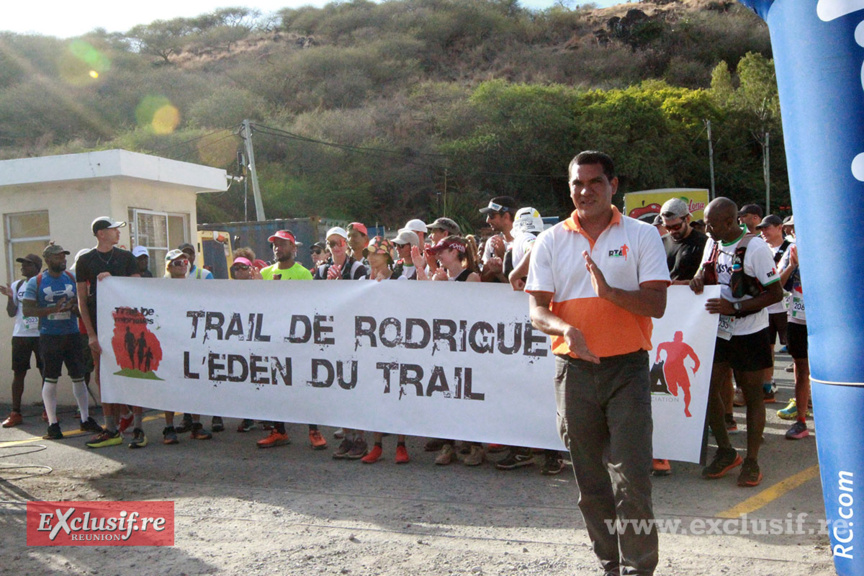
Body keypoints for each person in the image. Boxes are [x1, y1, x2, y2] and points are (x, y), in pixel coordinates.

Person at [525, 151, 669, 576]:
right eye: (578, 183)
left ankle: (638, 569)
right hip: (573, 372)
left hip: (627, 371)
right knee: (590, 485)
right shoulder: (551, 240)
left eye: (595, 182)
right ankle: (610, 565)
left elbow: (657, 304)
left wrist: (609, 293)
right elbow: (537, 311)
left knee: (633, 481)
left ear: (613, 185)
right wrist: (565, 329)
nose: (585, 191)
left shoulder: (643, 235)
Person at [690, 197, 783, 488]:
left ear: (730, 222)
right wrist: (697, 279)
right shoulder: (713, 242)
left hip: (750, 331)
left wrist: (736, 308)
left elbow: (775, 293)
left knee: (752, 395)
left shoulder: (756, 248)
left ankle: (752, 461)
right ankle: (726, 451)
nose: (706, 229)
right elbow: (704, 271)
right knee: (706, 391)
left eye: (711, 224)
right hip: (718, 330)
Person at [22, 243, 101, 440]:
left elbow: (82, 304)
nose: (63, 260)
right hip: (50, 336)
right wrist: (52, 310)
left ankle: (85, 418)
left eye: (64, 256)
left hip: (72, 334)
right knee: (50, 378)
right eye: (58, 257)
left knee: (79, 376)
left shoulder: (72, 278)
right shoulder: (36, 282)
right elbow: (27, 311)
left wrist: (74, 308)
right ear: (48, 260)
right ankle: (53, 424)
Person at [257, 230, 327, 450]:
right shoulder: (264, 273)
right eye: (275, 244)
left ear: (294, 248)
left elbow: (310, 306)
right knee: (275, 385)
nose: (278, 248)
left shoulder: (303, 274)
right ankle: (279, 430)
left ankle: (314, 430)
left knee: (305, 385)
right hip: (272, 339)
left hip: (297, 340)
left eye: (283, 244)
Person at [653, 197, 708, 476]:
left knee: (702, 380)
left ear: (688, 219)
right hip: (666, 317)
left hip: (694, 319)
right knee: (662, 386)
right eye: (668, 226)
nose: (672, 231)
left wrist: (688, 284)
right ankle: (665, 445)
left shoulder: (704, 243)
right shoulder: (661, 242)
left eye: (676, 226)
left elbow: (711, 280)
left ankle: (703, 430)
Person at [75, 216, 141, 449]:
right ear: (101, 233)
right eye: (113, 229)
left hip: (126, 325)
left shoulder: (126, 257)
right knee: (102, 375)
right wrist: (91, 334)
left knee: (132, 371)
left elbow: (137, 287)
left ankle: (137, 426)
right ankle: (110, 427)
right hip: (99, 325)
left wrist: (114, 281)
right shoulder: (85, 260)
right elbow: (82, 300)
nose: (118, 232)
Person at [315, 227, 368, 458]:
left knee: (355, 387)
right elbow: (316, 301)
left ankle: (360, 439)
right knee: (340, 387)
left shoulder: (358, 268)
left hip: (354, 335)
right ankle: (347, 437)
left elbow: (362, 298)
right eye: (331, 243)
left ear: (346, 244)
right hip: (333, 335)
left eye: (339, 242)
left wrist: (340, 285)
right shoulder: (321, 270)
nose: (336, 247)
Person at [359, 237, 411, 465]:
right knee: (375, 394)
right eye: (369, 253)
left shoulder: (400, 279)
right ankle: (377, 445)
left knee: (398, 393)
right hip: (372, 345)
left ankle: (401, 444)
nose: (371, 258)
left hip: (396, 344)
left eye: (376, 253)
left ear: (387, 256)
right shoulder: (362, 280)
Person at [161, 249, 212, 444]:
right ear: (168, 267)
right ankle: (168, 427)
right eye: (176, 263)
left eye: (184, 262)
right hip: (170, 342)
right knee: (169, 384)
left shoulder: (195, 286)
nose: (182, 265)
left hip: (192, 341)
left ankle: (196, 424)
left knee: (194, 382)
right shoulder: (161, 289)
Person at [775, 217, 812, 439]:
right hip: (798, 318)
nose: (793, 232)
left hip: (825, 321)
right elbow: (778, 284)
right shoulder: (792, 250)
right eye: (792, 229)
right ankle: (801, 421)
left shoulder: (829, 246)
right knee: (801, 367)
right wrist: (791, 266)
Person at [0, 254, 44, 427]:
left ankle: (48, 410)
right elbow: (11, 313)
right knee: (19, 373)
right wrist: (10, 296)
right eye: (22, 264)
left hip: (41, 335)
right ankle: (15, 412)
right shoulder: (17, 285)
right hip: (21, 335)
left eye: (28, 264)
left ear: (37, 268)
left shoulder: (43, 283)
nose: (23, 267)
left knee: (46, 372)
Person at [756, 214, 792, 404]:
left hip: (788, 307)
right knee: (767, 347)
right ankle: (768, 384)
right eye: (761, 229)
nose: (763, 232)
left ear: (779, 228)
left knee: (796, 350)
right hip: (767, 308)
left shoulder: (790, 247)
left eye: (767, 228)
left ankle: (805, 393)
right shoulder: (760, 249)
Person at [479, 196, 517, 283]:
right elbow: (483, 280)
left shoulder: (522, 243)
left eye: (491, 216)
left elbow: (521, 284)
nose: (487, 220)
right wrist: (491, 267)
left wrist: (504, 258)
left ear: (506, 216)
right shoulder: (492, 242)